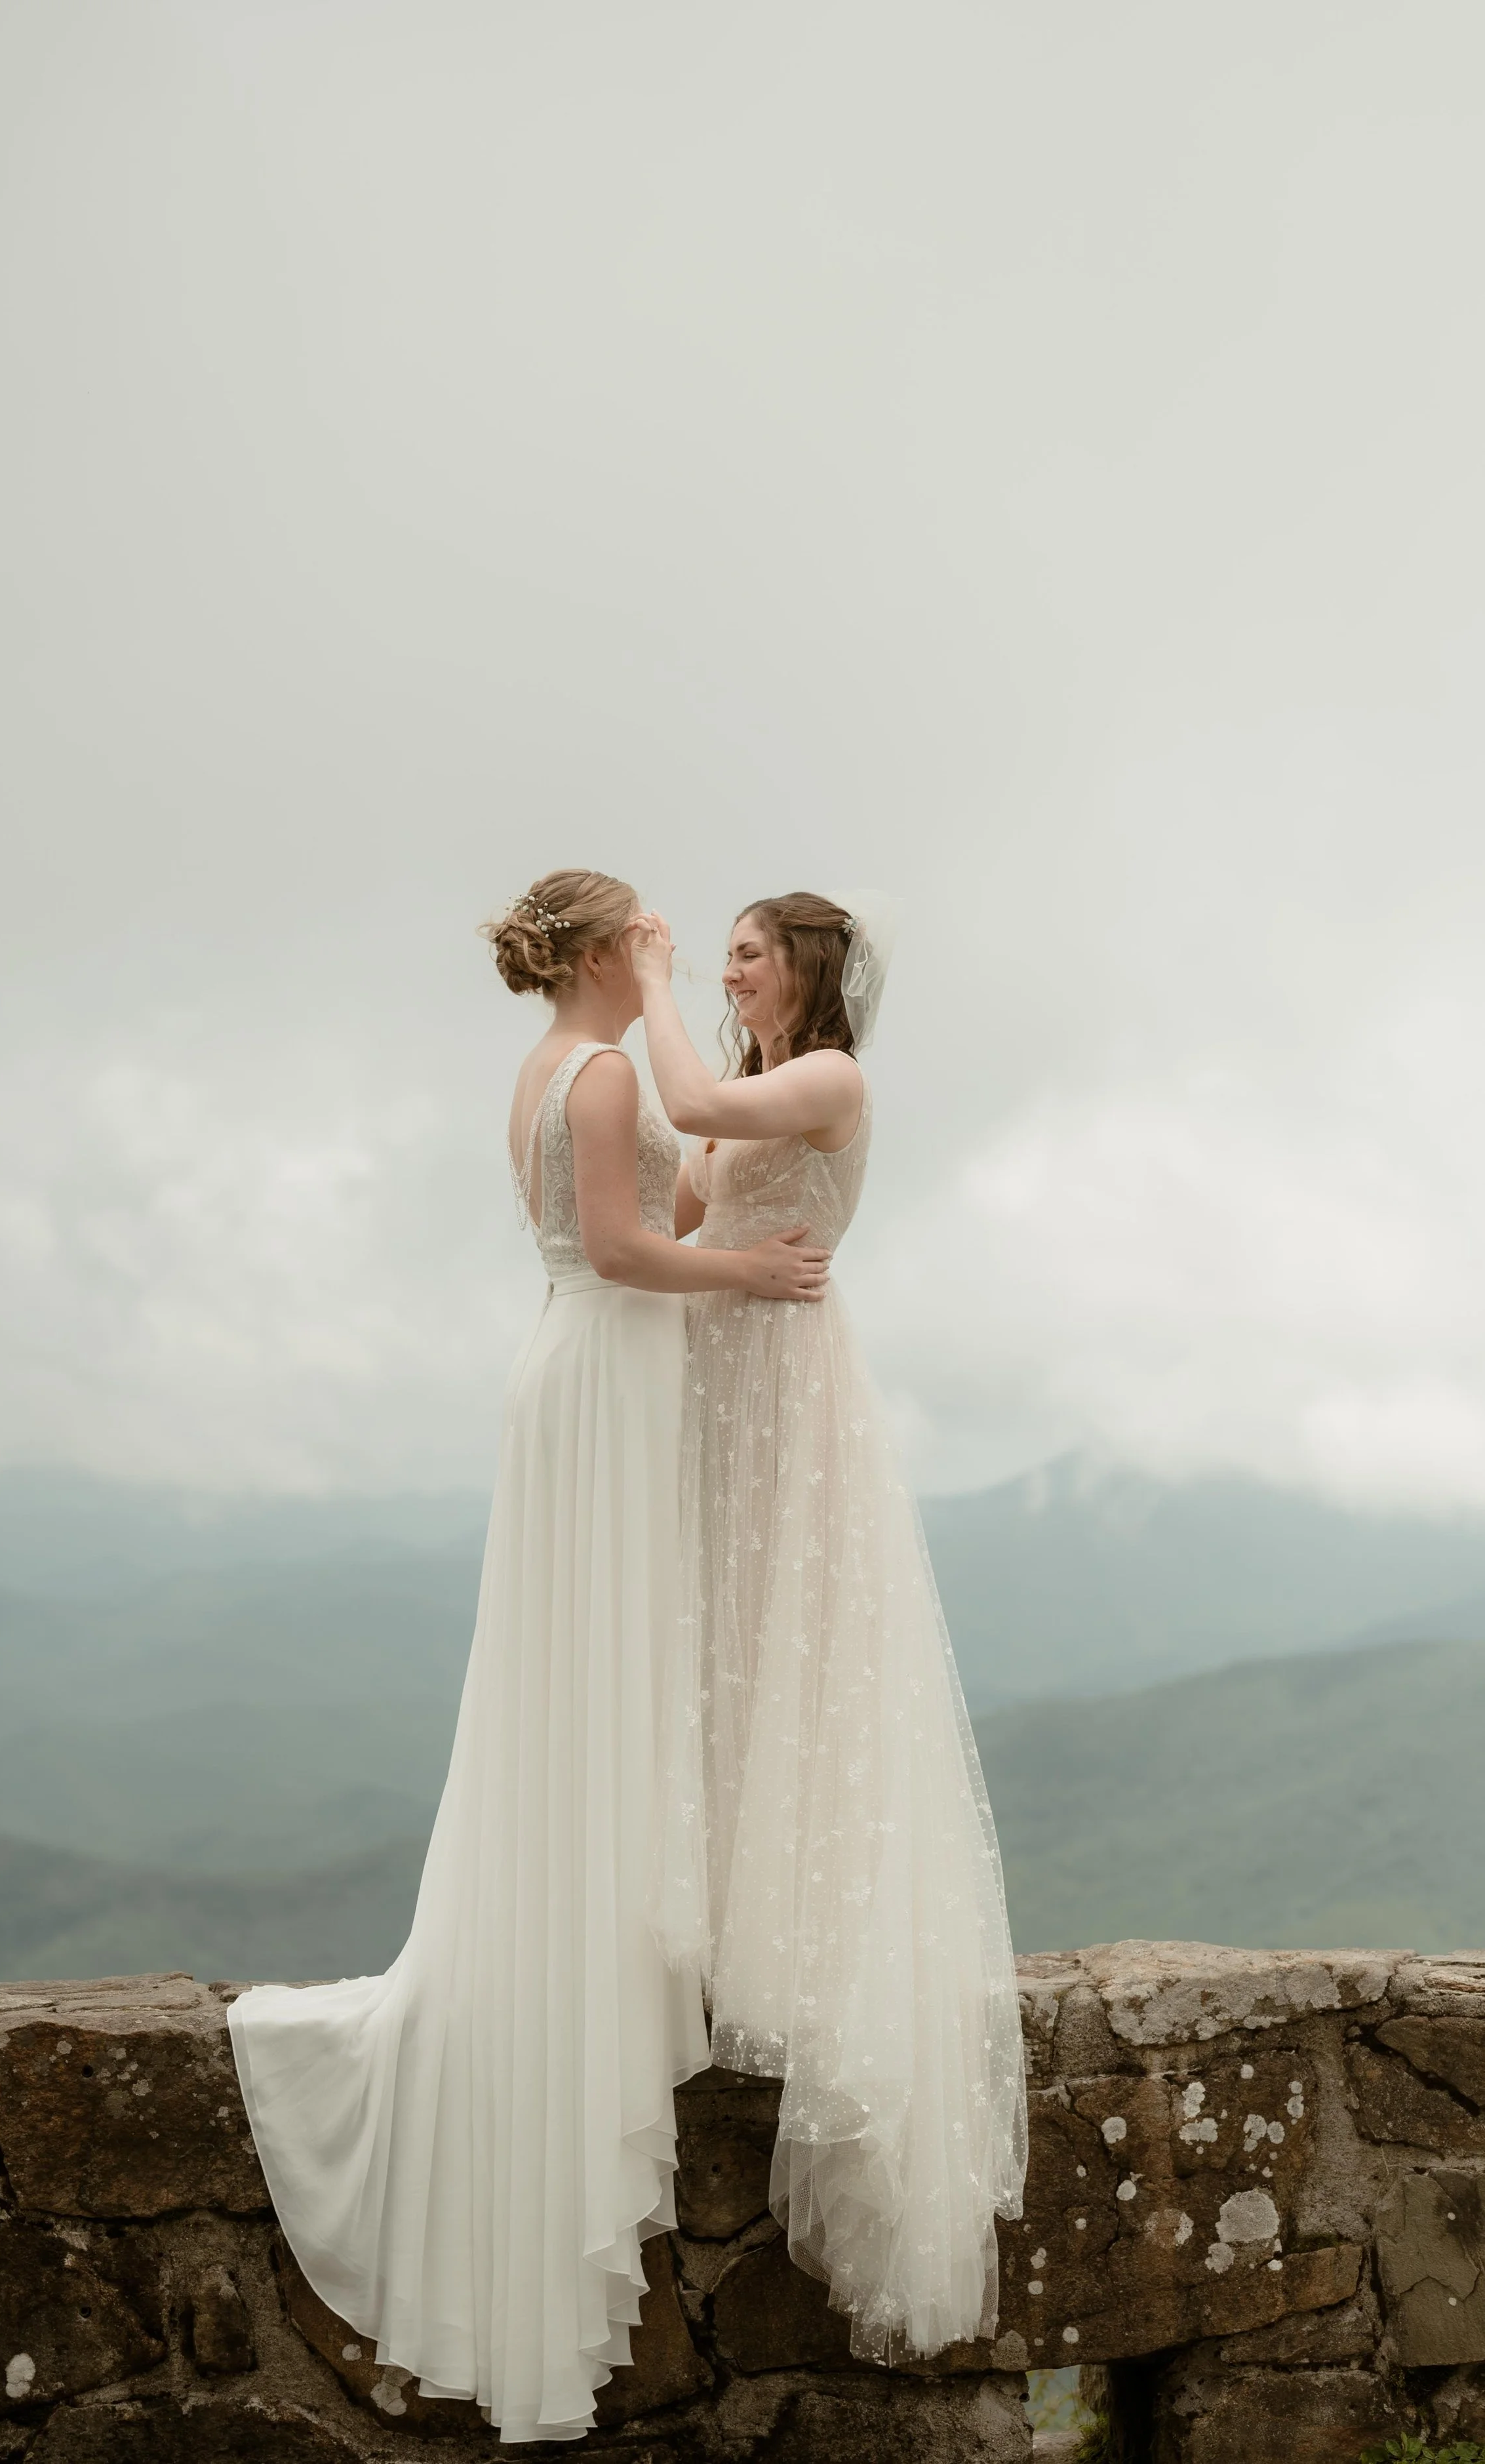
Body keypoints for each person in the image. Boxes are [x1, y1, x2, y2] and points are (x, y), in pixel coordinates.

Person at [227, 869, 830, 2444]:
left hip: (570, 1371)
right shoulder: (613, 1064)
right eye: (645, 929)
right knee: (600, 1677)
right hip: (611, 1363)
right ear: (591, 951)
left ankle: (589, 1941)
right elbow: (631, 1250)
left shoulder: (545, 1070)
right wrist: (757, 1275)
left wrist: (725, 1179)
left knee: (579, 1684)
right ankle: (580, 1971)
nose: (672, 943)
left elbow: (628, 1223)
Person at [633, 890, 1028, 2362]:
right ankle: (705, 1942)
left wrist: (650, 982)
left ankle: (794, 1959)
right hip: (708, 1379)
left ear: (807, 970)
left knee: (786, 1656)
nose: (728, 964)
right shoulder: (743, 1099)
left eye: (748, 947)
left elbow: (683, 1095)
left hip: (786, 1395)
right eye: (716, 947)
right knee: (707, 1656)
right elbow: (673, 1203)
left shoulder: (828, 1079)